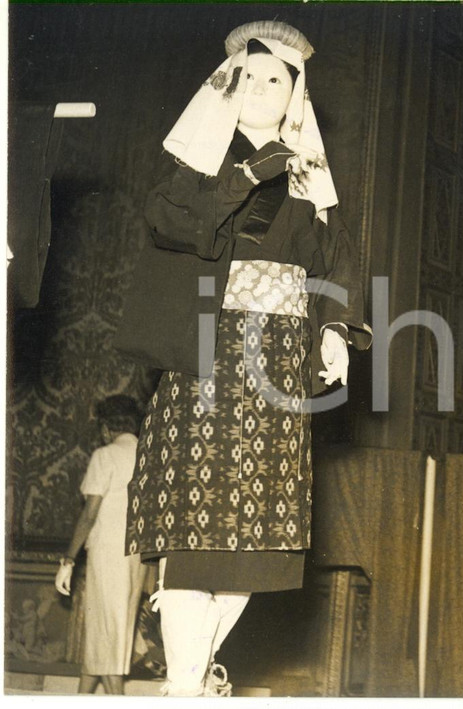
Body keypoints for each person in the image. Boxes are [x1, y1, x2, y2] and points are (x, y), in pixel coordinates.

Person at [114, 21, 370, 696]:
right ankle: (185, 684)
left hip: (280, 361)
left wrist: (336, 330)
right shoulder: (200, 157)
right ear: (229, 84)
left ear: (294, 94)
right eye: (250, 77)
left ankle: (190, 677)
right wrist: (250, 173)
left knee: (258, 546)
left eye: (276, 80)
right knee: (193, 538)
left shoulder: (312, 175)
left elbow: (337, 261)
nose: (261, 89)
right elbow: (172, 222)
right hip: (207, 346)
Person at [54, 395, 147, 694]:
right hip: (136, 558)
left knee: (106, 640)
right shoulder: (149, 455)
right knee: (108, 637)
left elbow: (88, 515)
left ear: (107, 428)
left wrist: (67, 561)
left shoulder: (105, 455)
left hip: (108, 557)